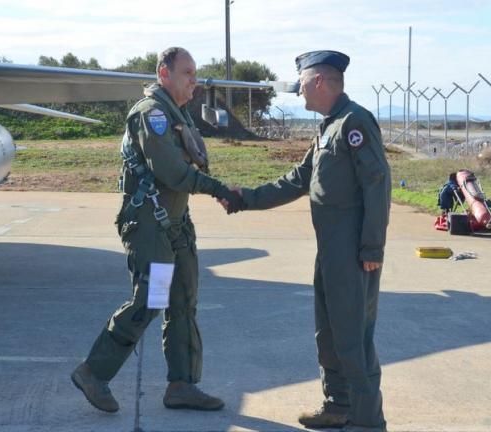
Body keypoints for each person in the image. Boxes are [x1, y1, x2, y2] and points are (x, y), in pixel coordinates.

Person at [71, 47, 245, 414]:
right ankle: (93, 372)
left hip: (175, 224)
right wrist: (218, 190)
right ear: (163, 73)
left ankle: (182, 385)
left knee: (183, 301)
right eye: (186, 73)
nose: (193, 81)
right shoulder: (152, 115)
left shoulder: (177, 113)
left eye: (195, 74)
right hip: (151, 225)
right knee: (152, 299)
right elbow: (172, 172)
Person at [229, 50, 391, 432]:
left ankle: (369, 423)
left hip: (353, 252)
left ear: (319, 81)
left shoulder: (355, 123)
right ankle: (338, 406)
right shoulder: (327, 128)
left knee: (354, 340)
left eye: (301, 82)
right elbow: (297, 180)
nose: (298, 90)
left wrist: (371, 248)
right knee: (329, 334)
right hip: (330, 251)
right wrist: (244, 198)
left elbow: (377, 184)